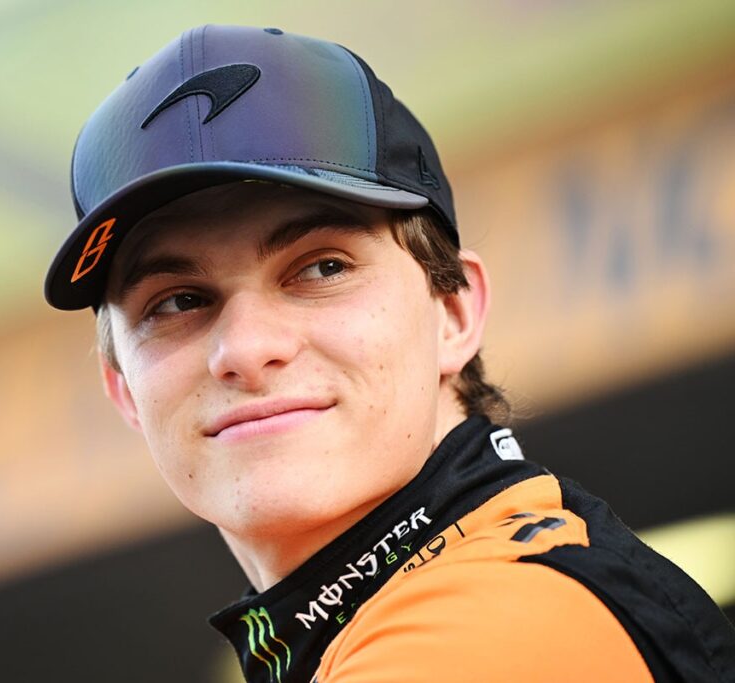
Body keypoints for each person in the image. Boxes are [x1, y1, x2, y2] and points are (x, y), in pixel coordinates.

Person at [44, 24, 735, 683]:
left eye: (322, 268)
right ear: (124, 390)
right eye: (177, 302)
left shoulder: (491, 624)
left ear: (455, 311)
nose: (247, 349)